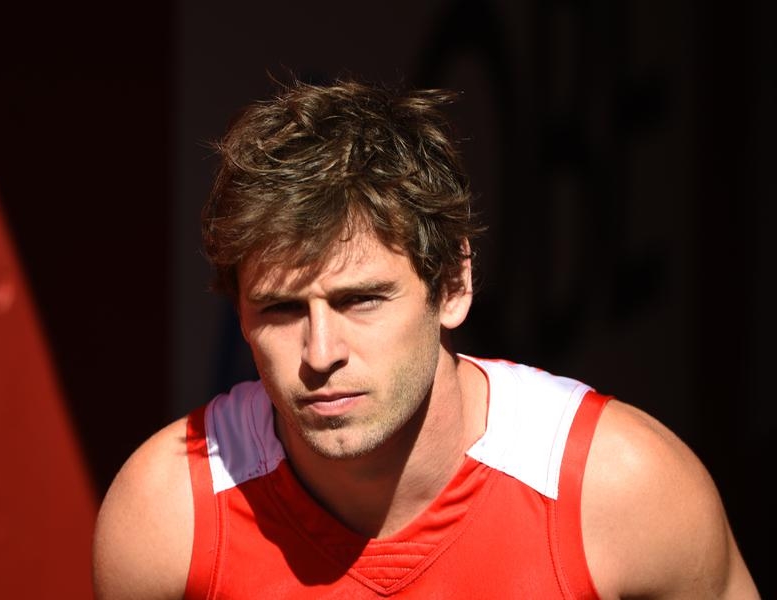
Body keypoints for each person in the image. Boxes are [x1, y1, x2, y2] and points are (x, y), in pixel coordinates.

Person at [92, 78, 759, 599]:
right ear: (239, 312)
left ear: (453, 285)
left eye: (361, 300)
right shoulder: (168, 514)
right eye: (282, 310)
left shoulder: (618, 489)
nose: (320, 354)